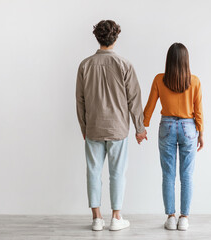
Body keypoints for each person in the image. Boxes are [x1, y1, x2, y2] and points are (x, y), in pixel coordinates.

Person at [76, 20, 147, 231]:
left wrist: (84, 128)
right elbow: (134, 100)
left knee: (93, 172)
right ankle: (116, 217)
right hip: (118, 128)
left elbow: (79, 101)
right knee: (117, 173)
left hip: (94, 128)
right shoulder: (125, 65)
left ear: (97, 37)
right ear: (115, 38)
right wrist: (140, 129)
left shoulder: (85, 65)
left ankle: (97, 218)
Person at [142, 43, 204, 231]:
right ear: (186, 60)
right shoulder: (194, 81)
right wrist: (201, 132)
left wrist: (142, 127)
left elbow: (150, 106)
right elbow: (198, 110)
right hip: (189, 127)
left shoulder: (159, 80)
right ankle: (184, 218)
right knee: (187, 175)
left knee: (168, 174)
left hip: (167, 126)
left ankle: (170, 217)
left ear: (168, 60)